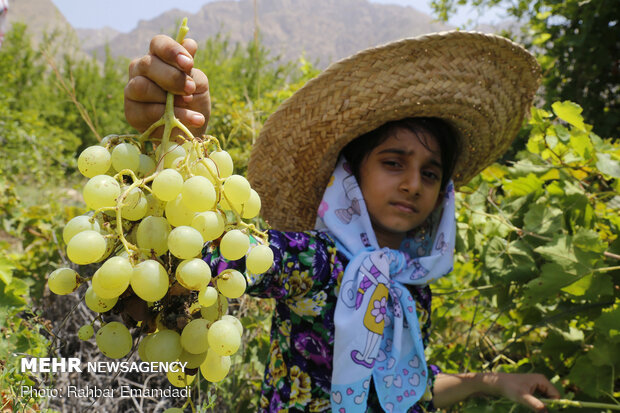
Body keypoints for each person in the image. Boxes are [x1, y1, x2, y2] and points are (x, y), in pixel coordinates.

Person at [125, 32, 561, 412]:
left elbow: (405, 389)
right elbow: (197, 259)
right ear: (350, 178)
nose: (414, 184)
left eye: (431, 173)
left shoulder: (413, 282)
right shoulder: (314, 259)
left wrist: (492, 382)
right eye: (394, 162)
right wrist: (181, 149)